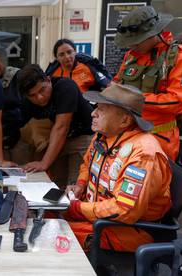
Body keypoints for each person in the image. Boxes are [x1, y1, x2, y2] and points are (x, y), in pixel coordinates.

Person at [65, 83, 171, 252]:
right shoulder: (103, 137)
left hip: (128, 230)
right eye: (96, 108)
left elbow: (124, 210)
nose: (93, 113)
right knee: (46, 217)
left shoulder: (143, 154)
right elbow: (87, 164)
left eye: (102, 109)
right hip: (100, 219)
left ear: (125, 120)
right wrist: (80, 185)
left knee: (58, 234)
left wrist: (78, 209)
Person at [113, 6, 182, 161]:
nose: (131, 46)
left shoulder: (178, 57)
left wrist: (136, 99)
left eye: (136, 42)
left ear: (153, 34)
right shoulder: (130, 57)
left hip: (159, 139)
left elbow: (178, 102)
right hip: (125, 136)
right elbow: (117, 84)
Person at [18, 64, 94, 187]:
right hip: (57, 140)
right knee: (56, 185)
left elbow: (62, 127)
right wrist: (38, 162)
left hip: (82, 136)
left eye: (42, 89)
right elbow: (29, 133)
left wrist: (44, 163)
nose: (40, 97)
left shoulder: (65, 87)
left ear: (48, 79)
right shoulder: (26, 103)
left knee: (74, 186)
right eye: (32, 95)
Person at [45, 38, 111, 93]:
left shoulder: (87, 68)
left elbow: (107, 86)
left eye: (69, 52)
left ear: (75, 52)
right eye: (62, 54)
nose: (67, 57)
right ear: (56, 58)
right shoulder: (52, 74)